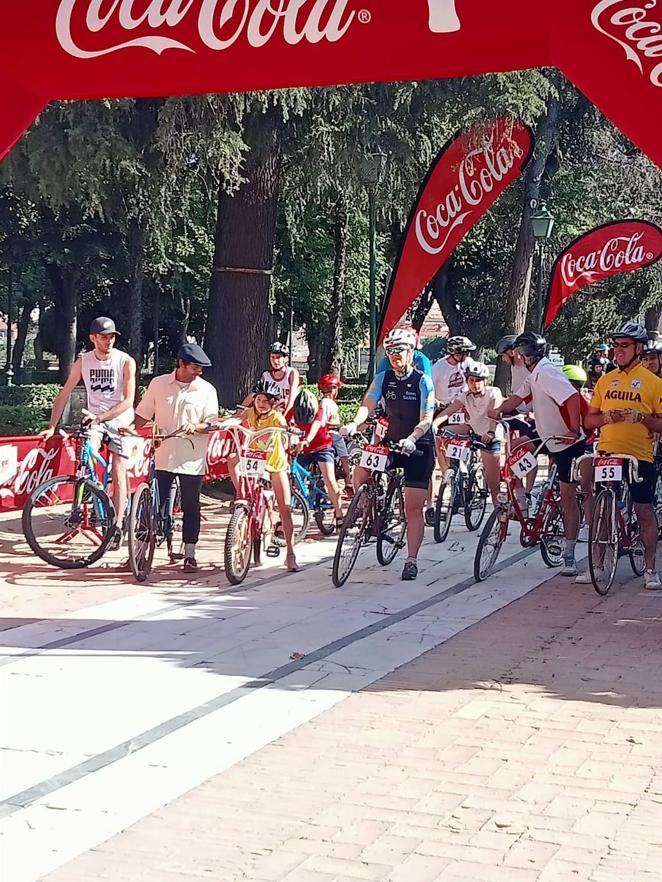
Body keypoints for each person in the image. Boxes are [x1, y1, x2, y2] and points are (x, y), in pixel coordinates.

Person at [343, 326, 435, 581]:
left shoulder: (423, 380)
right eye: (390, 351)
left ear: (411, 352)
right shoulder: (384, 378)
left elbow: (427, 417)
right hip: (391, 439)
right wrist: (354, 423)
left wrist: (413, 438)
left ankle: (411, 559)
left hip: (417, 444)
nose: (394, 355)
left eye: (400, 351)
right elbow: (368, 403)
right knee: (361, 469)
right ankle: (367, 502)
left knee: (413, 507)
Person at [489, 332, 584, 576]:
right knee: (519, 447)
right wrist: (497, 412)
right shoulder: (534, 373)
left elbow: (573, 398)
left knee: (567, 497)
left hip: (566, 442)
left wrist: (573, 430)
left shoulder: (548, 373)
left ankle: (570, 553)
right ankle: (522, 499)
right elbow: (517, 398)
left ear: (521, 354)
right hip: (547, 435)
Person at [40, 316, 136, 549]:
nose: (109, 341)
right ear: (93, 338)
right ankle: (93, 497)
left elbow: (129, 400)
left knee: (118, 467)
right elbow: (64, 393)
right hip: (94, 420)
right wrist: (53, 426)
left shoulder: (125, 361)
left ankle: (117, 524)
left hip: (119, 419)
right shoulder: (83, 361)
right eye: (104, 337)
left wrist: (102, 417)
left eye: (112, 336)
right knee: (87, 456)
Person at [581, 320, 662, 589]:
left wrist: (642, 418)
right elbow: (588, 422)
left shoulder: (653, 383)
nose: (618, 351)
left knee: (644, 510)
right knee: (603, 510)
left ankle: (650, 569)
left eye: (624, 346)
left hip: (639, 456)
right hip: (608, 453)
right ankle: (598, 564)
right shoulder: (605, 380)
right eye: (616, 346)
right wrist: (604, 417)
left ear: (638, 348)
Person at [132, 343, 219, 574]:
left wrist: (197, 426)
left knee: (191, 504)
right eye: (194, 367)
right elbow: (142, 414)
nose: (198, 371)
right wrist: (130, 429)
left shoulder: (207, 390)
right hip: (163, 453)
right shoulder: (159, 384)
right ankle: (139, 550)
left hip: (191, 457)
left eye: (201, 368)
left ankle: (190, 553)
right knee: (151, 503)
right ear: (180, 363)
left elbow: (211, 422)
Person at [224, 379, 300, 573]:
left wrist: (288, 429)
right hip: (254, 461)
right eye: (258, 399)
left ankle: (290, 553)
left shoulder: (275, 417)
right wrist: (219, 423)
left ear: (273, 403)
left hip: (274, 464)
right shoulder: (250, 413)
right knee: (232, 458)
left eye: (267, 401)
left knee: (285, 508)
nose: (261, 403)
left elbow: (282, 424)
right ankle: (242, 496)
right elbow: (237, 418)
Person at [435, 362, 503, 505]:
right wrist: (434, 425)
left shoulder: (493, 392)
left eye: (478, 380)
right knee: (441, 434)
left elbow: (495, 413)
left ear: (485, 381)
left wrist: (490, 432)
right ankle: (455, 470)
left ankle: (500, 517)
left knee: (493, 483)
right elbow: (448, 412)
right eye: (471, 380)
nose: (475, 384)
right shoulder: (465, 396)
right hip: (473, 430)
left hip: (490, 436)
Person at [292, 388, 344, 528]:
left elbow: (315, 426)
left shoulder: (320, 410)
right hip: (303, 449)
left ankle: (339, 514)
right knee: (292, 478)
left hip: (322, 446)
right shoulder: (293, 412)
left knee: (329, 479)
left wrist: (307, 440)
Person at [431, 334, 476, 481]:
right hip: (443, 408)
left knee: (462, 437)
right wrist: (436, 400)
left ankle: (465, 466)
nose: (467, 356)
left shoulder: (468, 363)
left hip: (462, 406)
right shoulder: (439, 367)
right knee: (440, 443)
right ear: (455, 353)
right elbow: (429, 389)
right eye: (464, 353)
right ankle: (447, 477)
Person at [562, 364, 594, 543]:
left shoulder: (585, 401)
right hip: (565, 445)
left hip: (585, 447)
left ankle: (589, 523)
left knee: (585, 485)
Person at [318, 373, 353, 493]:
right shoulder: (328, 403)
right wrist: (339, 425)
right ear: (333, 389)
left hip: (321, 434)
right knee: (345, 456)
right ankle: (348, 481)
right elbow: (324, 422)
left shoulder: (321, 402)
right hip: (331, 433)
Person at [258, 342, 300, 418]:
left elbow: (292, 400)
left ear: (286, 358)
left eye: (278, 357)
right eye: (272, 357)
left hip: (289, 416)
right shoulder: (265, 376)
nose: (275, 361)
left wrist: (284, 417)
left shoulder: (291, 373)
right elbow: (257, 397)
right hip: (270, 417)